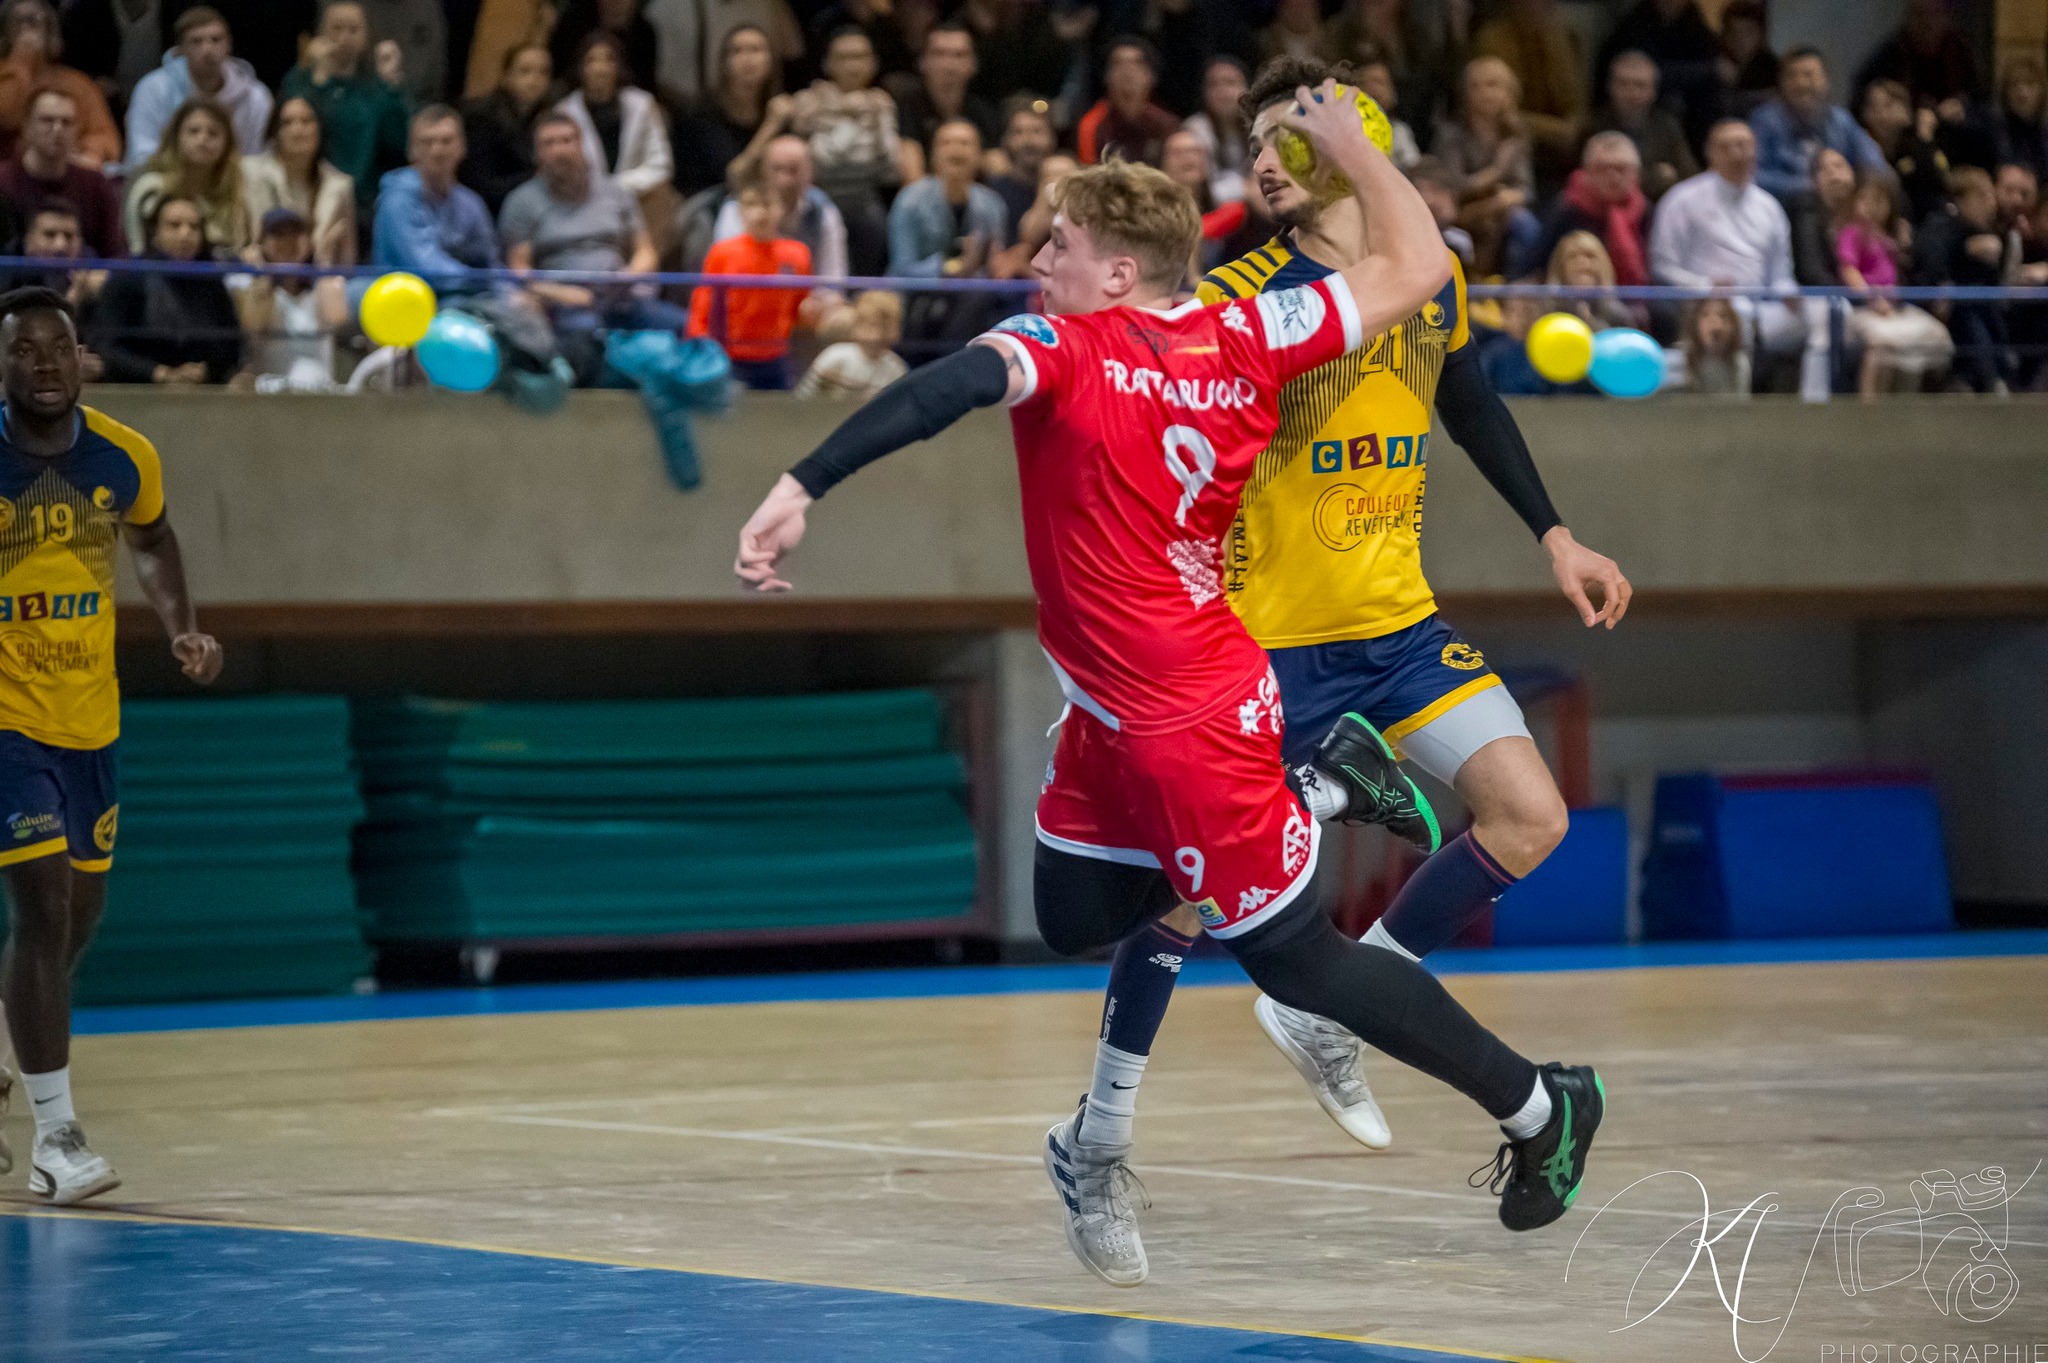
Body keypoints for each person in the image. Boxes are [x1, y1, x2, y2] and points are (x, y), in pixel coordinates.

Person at [734, 90, 1605, 1289]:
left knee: (1300, 966)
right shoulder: (1252, 333)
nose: (1036, 262)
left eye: (1058, 248)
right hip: (1115, 705)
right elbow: (1414, 259)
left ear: (1118, 270)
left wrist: (801, 483)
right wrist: (1359, 155)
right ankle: (1327, 793)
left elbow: (936, 392)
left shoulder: (1064, 349)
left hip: (1190, 713)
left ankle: (1532, 1107)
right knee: (1073, 916)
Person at [1079, 58, 1627, 1243]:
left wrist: (1554, 533)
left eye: (1283, 138)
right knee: (1178, 895)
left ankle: (1343, 1006)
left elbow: (1467, 397)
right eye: (1251, 143)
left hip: (1398, 624)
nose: (1260, 162)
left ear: (1350, 139)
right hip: (1266, 644)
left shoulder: (1431, 281)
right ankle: (1100, 1129)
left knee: (1528, 814)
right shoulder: (1245, 296)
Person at [0, 284, 221, 1204]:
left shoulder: (125, 454)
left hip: (91, 715)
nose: (43, 364)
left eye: (58, 347)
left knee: (75, 922)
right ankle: (58, 1137)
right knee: (44, 911)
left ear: (82, 354)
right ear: (3, 364)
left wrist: (182, 626)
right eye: (23, 351)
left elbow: (155, 538)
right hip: (7, 720)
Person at [501, 110, 684, 369]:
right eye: (549, 144)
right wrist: (563, 294)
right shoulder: (521, 202)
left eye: (567, 140)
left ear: (581, 145)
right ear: (537, 154)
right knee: (586, 341)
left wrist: (629, 276)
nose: (560, 150)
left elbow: (645, 251)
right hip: (563, 306)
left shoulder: (616, 192)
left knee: (683, 325)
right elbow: (519, 270)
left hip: (620, 297)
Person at [1651, 120, 1815, 393]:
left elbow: (1781, 273)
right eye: (1729, 147)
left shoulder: (1769, 207)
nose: (1739, 154)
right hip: (1700, 305)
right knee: (1734, 317)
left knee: (1829, 314)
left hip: (1763, 307)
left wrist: (1787, 291)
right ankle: (1734, 405)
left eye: (1745, 146)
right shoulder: (1682, 199)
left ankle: (1815, 404)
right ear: (1711, 153)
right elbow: (1662, 264)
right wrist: (1705, 286)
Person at [90, 195, 242, 382]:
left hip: (203, 393)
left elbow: (231, 346)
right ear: (155, 232)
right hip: (138, 391)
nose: (185, 234)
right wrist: (159, 373)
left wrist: (207, 371)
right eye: (174, 225)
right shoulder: (128, 276)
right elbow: (104, 346)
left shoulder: (211, 281)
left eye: (194, 227)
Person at [788, 27, 900, 277]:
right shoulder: (808, 102)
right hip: (818, 198)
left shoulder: (882, 104)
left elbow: (889, 167)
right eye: (844, 57)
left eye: (860, 57)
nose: (853, 65)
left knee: (875, 227)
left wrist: (839, 120)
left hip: (865, 200)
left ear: (873, 62)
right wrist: (855, 120)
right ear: (827, 63)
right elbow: (819, 163)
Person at [888, 118, 1007, 352]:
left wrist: (992, 266)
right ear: (934, 155)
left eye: (965, 143)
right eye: (947, 143)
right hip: (916, 300)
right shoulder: (909, 200)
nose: (956, 150)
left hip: (972, 301)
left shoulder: (993, 205)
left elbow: (994, 267)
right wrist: (951, 269)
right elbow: (902, 268)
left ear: (979, 155)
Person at [279, 1, 411, 208]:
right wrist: (318, 82)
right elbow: (290, 129)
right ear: (321, 33)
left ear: (366, 35)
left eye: (353, 29)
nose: (344, 37)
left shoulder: (377, 88)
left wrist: (392, 85)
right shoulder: (300, 80)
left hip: (363, 200)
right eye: (336, 28)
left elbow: (400, 142)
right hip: (307, 196)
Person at [710, 133, 848, 329]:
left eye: (794, 170)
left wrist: (814, 304)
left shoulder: (819, 216)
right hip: (747, 304)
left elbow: (832, 279)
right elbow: (725, 270)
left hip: (800, 306)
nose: (785, 180)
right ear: (763, 171)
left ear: (810, 172)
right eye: (777, 169)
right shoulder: (736, 207)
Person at [1836, 171, 1951, 398]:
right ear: (1855, 201)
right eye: (1867, 199)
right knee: (1881, 345)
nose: (1873, 207)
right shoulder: (1851, 233)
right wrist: (1871, 298)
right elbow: (1848, 270)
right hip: (1863, 309)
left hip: (1894, 309)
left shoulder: (1888, 239)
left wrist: (1905, 247)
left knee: (1934, 336)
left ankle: (1903, 410)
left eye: (1880, 201)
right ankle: (1868, 410)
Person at [688, 176, 809, 389]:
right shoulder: (723, 253)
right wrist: (703, 350)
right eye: (752, 204)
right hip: (731, 357)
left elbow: (800, 307)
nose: (760, 213)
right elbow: (702, 307)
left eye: (767, 205)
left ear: (781, 209)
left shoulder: (797, 254)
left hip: (775, 356)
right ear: (740, 211)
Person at [123, 6, 270, 174]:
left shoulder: (256, 96)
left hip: (231, 186)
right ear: (180, 49)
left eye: (216, 40)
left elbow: (256, 160)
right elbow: (142, 156)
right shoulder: (152, 89)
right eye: (197, 41)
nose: (207, 49)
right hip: (165, 181)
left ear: (229, 44)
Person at [1432, 56, 1540, 278]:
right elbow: (1453, 186)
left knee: (1525, 225)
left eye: (1492, 85)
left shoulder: (1516, 136)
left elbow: (1525, 188)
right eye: (1475, 86)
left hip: (1500, 213)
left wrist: (1507, 199)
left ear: (1509, 92)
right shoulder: (1450, 136)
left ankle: (1513, 294)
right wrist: (1496, 172)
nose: (1484, 93)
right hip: (1462, 214)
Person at [372, 105, 501, 286]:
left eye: (446, 141)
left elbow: (490, 262)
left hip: (463, 295)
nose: (437, 151)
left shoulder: (471, 202)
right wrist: (481, 283)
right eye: (427, 142)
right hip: (409, 300)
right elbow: (425, 268)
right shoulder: (397, 199)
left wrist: (509, 292)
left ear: (462, 147)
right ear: (412, 151)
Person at [1913, 166, 2012, 393]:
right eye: (1982, 196)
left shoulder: (1986, 234)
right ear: (1961, 199)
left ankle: (1999, 374)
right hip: (1942, 307)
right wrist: (1965, 249)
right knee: (1968, 305)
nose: (1991, 204)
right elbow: (1932, 266)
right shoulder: (1939, 225)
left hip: (1983, 311)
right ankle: (1989, 380)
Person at [229, 206, 349, 390]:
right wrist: (261, 275)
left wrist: (322, 257)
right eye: (278, 235)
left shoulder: (323, 286)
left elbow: (337, 318)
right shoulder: (251, 286)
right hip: (273, 392)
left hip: (320, 391)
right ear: (262, 244)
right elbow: (255, 327)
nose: (288, 242)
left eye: (295, 234)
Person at [1750, 47, 1886, 205]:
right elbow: (1753, 175)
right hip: (1782, 209)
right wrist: (1810, 187)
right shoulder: (1766, 120)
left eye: (1809, 75)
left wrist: (1852, 184)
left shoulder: (1841, 119)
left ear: (1826, 81)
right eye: (1792, 76)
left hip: (1838, 209)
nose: (1801, 84)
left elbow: (1873, 162)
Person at [0, 88, 122, 259]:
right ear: (26, 125)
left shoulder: (96, 185)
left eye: (67, 122)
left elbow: (115, 256)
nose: (57, 129)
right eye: (47, 120)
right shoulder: (3, 182)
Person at [1470, 0, 1582, 182]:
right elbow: (1501, 110)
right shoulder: (1493, 39)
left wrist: (1567, 129)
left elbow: (1574, 107)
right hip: (1504, 142)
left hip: (1560, 153)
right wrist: (1557, 130)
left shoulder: (1564, 38)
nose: (1537, 6)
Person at [0, 0, 120, 168]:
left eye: (33, 21)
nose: (26, 28)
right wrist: (21, 65)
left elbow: (105, 137)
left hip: (66, 174)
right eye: (19, 21)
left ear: (49, 30)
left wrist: (89, 155)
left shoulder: (77, 83)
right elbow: (8, 117)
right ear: (5, 31)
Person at [123, 99, 250, 256]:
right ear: (176, 137)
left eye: (213, 133)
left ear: (227, 143)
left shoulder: (233, 195)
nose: (203, 139)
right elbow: (136, 249)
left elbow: (238, 252)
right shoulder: (150, 188)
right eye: (193, 131)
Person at [556, 31, 673, 198]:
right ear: (580, 68)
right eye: (592, 60)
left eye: (609, 59)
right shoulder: (564, 111)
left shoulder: (642, 104)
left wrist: (617, 187)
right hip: (583, 201)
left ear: (619, 66)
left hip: (638, 197)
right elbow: (564, 169)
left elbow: (661, 165)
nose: (600, 68)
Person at [670, 24, 783, 197]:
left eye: (756, 50)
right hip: (710, 207)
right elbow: (734, 177)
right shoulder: (700, 116)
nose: (747, 59)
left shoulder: (781, 109)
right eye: (737, 51)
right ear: (723, 62)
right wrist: (771, 125)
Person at [242, 96, 357, 266]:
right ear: (275, 131)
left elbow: (347, 261)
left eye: (306, 121)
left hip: (317, 278)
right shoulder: (249, 172)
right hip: (259, 271)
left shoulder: (340, 186)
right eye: (287, 122)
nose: (298, 130)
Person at [1534, 131, 1648, 293]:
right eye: (1603, 169)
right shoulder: (1566, 210)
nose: (1613, 176)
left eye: (1621, 169)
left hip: (1635, 300)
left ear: (1636, 174)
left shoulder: (1645, 211)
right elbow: (1538, 265)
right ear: (1586, 172)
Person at [1593, 0, 1718, 145]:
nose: (1632, 93)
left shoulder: (1695, 25)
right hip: (1634, 113)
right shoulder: (1634, 25)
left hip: (1679, 109)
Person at [887, 22, 1000, 177]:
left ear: (973, 64)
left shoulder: (983, 112)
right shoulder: (904, 108)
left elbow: (998, 169)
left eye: (959, 55)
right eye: (939, 54)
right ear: (922, 62)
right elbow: (912, 181)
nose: (949, 65)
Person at [459, 42, 551, 217]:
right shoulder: (480, 118)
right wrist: (537, 177)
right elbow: (480, 185)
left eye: (543, 72)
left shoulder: (547, 117)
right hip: (485, 212)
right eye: (525, 71)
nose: (534, 80)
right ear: (506, 76)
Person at [1591, 50, 1695, 200]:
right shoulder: (1595, 125)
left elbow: (1690, 177)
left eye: (1640, 85)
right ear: (1610, 87)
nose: (1631, 93)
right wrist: (1658, 176)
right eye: (1623, 84)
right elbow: (1593, 181)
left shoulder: (1666, 124)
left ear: (1653, 91)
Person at [1854, 0, 1979, 117]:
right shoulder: (1891, 55)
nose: (1928, 22)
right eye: (1921, 15)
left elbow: (1979, 99)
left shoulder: (1958, 51)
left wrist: (1961, 106)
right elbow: (1861, 101)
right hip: (1905, 133)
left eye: (1934, 14)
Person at [1076, 38, 1179, 167]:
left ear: (1151, 76)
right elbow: (1088, 173)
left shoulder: (1166, 124)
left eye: (1136, 64)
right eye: (1118, 64)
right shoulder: (1090, 125)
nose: (1127, 71)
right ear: (1107, 76)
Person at [1860, 77, 1951, 224]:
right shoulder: (1862, 147)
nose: (1880, 114)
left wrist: (1925, 139)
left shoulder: (1919, 143)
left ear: (1906, 111)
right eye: (1872, 107)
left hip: (1928, 218)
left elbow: (1937, 183)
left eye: (1888, 105)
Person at [795, 288, 905, 399]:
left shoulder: (896, 369)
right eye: (871, 324)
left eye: (886, 327)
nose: (877, 336)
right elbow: (802, 400)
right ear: (857, 324)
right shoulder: (834, 358)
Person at [548, 0, 658, 94]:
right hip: (574, 92)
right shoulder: (573, 22)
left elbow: (647, 81)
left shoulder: (645, 32)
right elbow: (558, 68)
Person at [1184, 56, 1253, 201]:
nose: (1223, 91)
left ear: (1247, 90)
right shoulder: (1194, 129)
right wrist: (1245, 189)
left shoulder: (1259, 125)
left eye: (1230, 83)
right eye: (1214, 84)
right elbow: (1203, 189)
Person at [986, 95, 1055, 230]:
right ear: (1006, 140)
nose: (1028, 141)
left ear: (1052, 138)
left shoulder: (1065, 188)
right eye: (1019, 132)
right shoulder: (994, 193)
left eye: (1037, 131)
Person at [1711, 0, 1777, 124]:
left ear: (1760, 35)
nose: (1740, 39)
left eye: (1747, 32)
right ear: (1724, 34)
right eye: (1733, 32)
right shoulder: (1713, 64)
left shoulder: (1774, 70)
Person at [1356, 55, 1419, 170]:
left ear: (1393, 93)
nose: (1372, 88)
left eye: (1379, 82)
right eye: (1364, 82)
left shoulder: (1400, 131)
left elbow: (1413, 167)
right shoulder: (1348, 131)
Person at [1991, 58, 2048, 183]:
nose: (2022, 93)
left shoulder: (2044, 136)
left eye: (2030, 84)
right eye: (2014, 85)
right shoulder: (1993, 134)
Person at [1678, 296, 1748, 395]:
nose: (1715, 323)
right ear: (1694, 323)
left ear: (1733, 325)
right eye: (1705, 315)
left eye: (1722, 316)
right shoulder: (1682, 360)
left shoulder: (1740, 362)